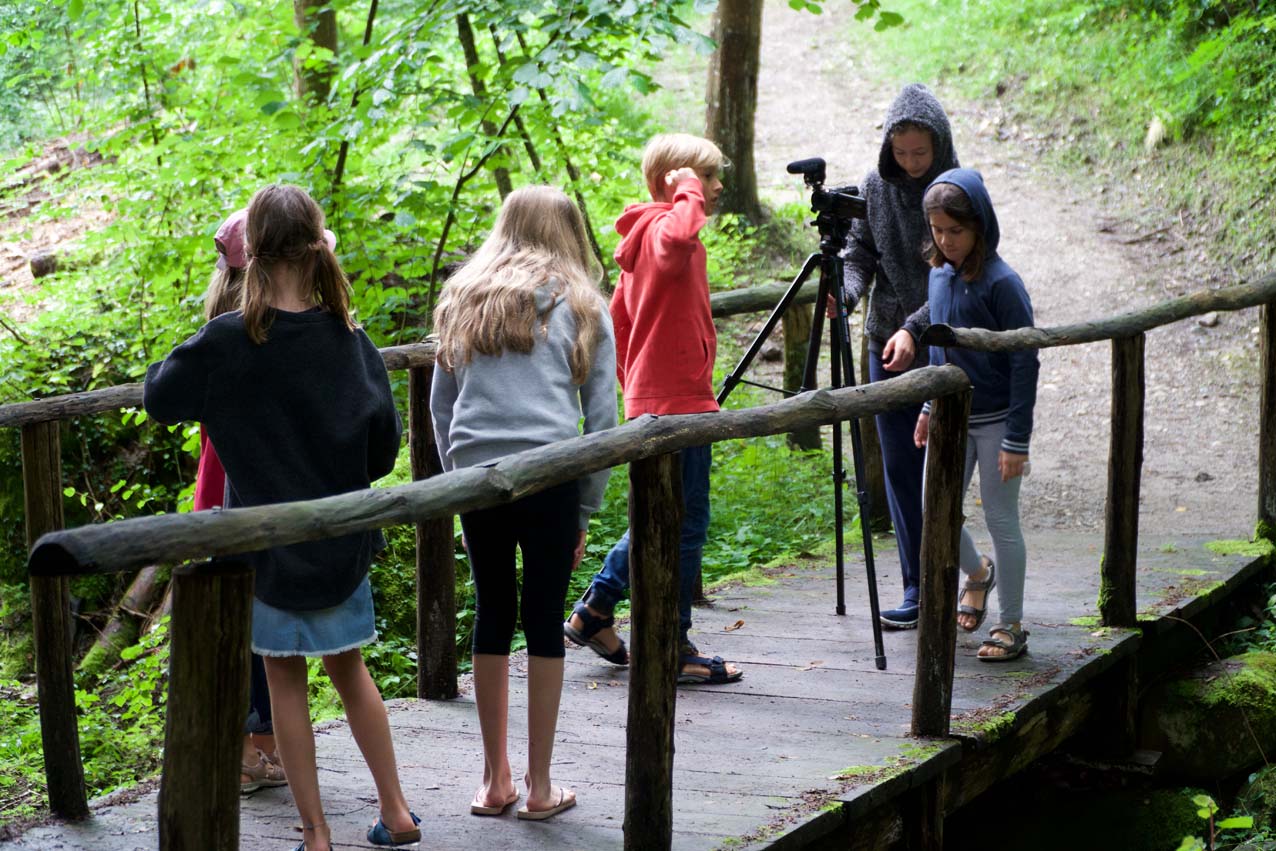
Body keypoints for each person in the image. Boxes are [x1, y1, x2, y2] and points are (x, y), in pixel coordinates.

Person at [144, 184, 419, 850]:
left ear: (254, 252)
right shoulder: (351, 339)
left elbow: (160, 396)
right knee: (351, 672)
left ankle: (317, 834)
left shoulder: (229, 341)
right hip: (341, 544)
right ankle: (397, 813)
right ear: (317, 246)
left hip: (268, 551)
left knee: (284, 682)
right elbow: (384, 450)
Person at [430, 185, 618, 821]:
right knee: (542, 618)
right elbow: (602, 420)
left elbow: (442, 408)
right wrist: (584, 510)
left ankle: (494, 781)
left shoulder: (465, 297)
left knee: (492, 611)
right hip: (550, 475)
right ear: (568, 232)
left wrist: (458, 484)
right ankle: (540, 787)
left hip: (479, 477)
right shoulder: (582, 304)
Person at [562, 133, 742, 686]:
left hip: (661, 396)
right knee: (686, 524)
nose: (714, 187)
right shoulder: (667, 230)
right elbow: (680, 236)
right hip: (677, 401)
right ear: (676, 181)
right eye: (705, 177)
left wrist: (636, 386)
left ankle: (597, 610)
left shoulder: (643, 238)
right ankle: (671, 643)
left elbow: (619, 322)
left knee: (660, 516)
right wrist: (686, 190)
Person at [831, 82, 960, 630]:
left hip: (944, 341)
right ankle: (916, 586)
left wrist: (915, 328)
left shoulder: (957, 190)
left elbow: (955, 272)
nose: (910, 162)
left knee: (941, 466)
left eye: (920, 152)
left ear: (940, 144)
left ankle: (952, 576)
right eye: (901, 152)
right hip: (884, 341)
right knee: (900, 470)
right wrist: (846, 292)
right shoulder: (874, 186)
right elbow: (860, 253)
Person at [914, 168, 1039, 662]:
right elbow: (939, 349)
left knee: (1001, 517)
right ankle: (978, 572)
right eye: (937, 230)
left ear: (980, 227)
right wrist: (928, 405)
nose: (946, 241)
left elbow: (1025, 360)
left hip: (997, 420)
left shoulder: (1003, 283)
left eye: (956, 230)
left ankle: (1011, 624)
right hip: (950, 417)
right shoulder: (938, 275)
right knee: (933, 509)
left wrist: (1016, 439)